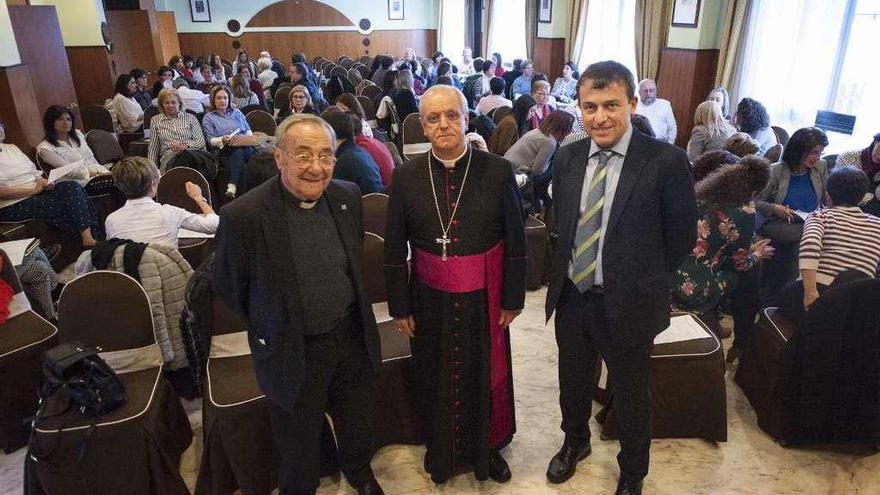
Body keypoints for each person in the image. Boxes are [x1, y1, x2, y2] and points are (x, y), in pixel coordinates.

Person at [544, 61, 696, 495]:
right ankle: (575, 442)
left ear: (631, 103)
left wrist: (636, 277)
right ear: (579, 107)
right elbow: (565, 223)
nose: (600, 117)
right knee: (572, 383)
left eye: (611, 104)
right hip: (574, 296)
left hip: (630, 302)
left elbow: (681, 239)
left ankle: (633, 471)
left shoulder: (667, 161)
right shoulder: (569, 156)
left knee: (630, 394)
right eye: (590, 107)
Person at [213, 113, 385, 495]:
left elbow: (351, 262)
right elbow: (229, 287)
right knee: (298, 439)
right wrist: (273, 322)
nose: (316, 167)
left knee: (357, 418)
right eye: (303, 155)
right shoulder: (243, 215)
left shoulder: (346, 196)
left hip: (349, 335)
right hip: (292, 347)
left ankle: (359, 471)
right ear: (279, 158)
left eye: (326, 156)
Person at [384, 84, 527, 485]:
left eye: (452, 116)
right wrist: (401, 306)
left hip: (485, 296)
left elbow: (516, 240)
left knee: (485, 373)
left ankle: (489, 448)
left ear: (467, 119)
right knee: (435, 374)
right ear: (423, 126)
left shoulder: (496, 170)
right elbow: (394, 248)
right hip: (428, 298)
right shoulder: (407, 175)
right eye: (433, 118)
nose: (443, 124)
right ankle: (441, 450)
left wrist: (513, 297)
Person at [670, 156, 773, 330]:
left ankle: (714, 321)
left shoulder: (701, 195)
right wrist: (756, 255)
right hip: (692, 289)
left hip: (667, 273)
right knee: (740, 273)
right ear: (754, 193)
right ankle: (717, 322)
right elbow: (739, 264)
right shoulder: (744, 212)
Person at [756, 126, 829, 302]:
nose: (817, 157)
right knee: (806, 238)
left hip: (807, 220)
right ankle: (785, 297)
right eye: (813, 152)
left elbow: (825, 199)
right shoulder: (776, 170)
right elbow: (756, 201)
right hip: (778, 221)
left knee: (802, 241)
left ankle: (785, 296)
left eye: (820, 153)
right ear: (799, 150)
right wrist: (775, 208)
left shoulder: (820, 167)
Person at [0, 120, 101, 247]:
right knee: (60, 205)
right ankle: (90, 242)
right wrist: (33, 190)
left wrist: (43, 181)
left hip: (37, 190)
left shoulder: (12, 148)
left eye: (0, 125)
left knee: (72, 187)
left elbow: (33, 172)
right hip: (12, 203)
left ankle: (89, 238)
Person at [797, 166, 880, 312]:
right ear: (862, 197)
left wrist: (810, 292)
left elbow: (810, 246)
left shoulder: (820, 216)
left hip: (820, 290)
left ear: (828, 195)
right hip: (858, 304)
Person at [105, 156, 218, 249]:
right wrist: (199, 198)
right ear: (153, 185)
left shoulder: (111, 221)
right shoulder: (170, 213)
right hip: (168, 274)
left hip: (130, 276)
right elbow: (214, 225)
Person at [202, 85, 260, 199]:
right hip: (224, 149)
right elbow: (210, 140)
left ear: (229, 99)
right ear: (213, 100)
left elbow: (247, 129)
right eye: (219, 98)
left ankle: (233, 185)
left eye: (225, 98)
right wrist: (222, 139)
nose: (222, 101)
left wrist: (246, 139)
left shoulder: (237, 112)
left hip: (244, 146)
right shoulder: (208, 117)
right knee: (238, 152)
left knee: (244, 152)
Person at [37, 105, 112, 189]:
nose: (66, 123)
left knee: (125, 176)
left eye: (68, 119)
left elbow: (91, 159)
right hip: (77, 184)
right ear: (50, 122)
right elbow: (71, 172)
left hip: (99, 174)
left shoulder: (78, 135)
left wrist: (104, 172)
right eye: (60, 119)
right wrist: (99, 174)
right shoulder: (45, 148)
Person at [320, 110, 383, 194]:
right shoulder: (359, 151)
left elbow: (330, 194)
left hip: (360, 205)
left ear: (330, 133)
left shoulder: (345, 161)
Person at [504, 109, 574, 185]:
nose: (572, 130)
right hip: (516, 173)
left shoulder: (537, 131)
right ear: (563, 128)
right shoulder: (549, 142)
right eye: (570, 127)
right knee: (555, 169)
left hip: (506, 165)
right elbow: (537, 171)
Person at [147, 88, 207, 171]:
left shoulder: (191, 118)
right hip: (169, 159)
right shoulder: (155, 120)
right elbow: (153, 149)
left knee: (186, 156)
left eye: (173, 102)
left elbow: (200, 142)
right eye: (167, 103)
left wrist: (185, 146)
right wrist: (151, 170)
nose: (170, 105)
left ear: (179, 103)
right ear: (162, 105)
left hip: (192, 156)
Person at [837, 132, 880, 216]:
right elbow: (842, 190)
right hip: (843, 208)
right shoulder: (848, 157)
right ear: (875, 142)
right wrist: (871, 197)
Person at [635, 78, 677, 144]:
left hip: (661, 144)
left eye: (651, 90)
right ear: (639, 92)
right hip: (639, 144)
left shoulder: (665, 104)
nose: (648, 93)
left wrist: (670, 143)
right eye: (645, 91)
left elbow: (672, 127)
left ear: (656, 91)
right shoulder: (634, 106)